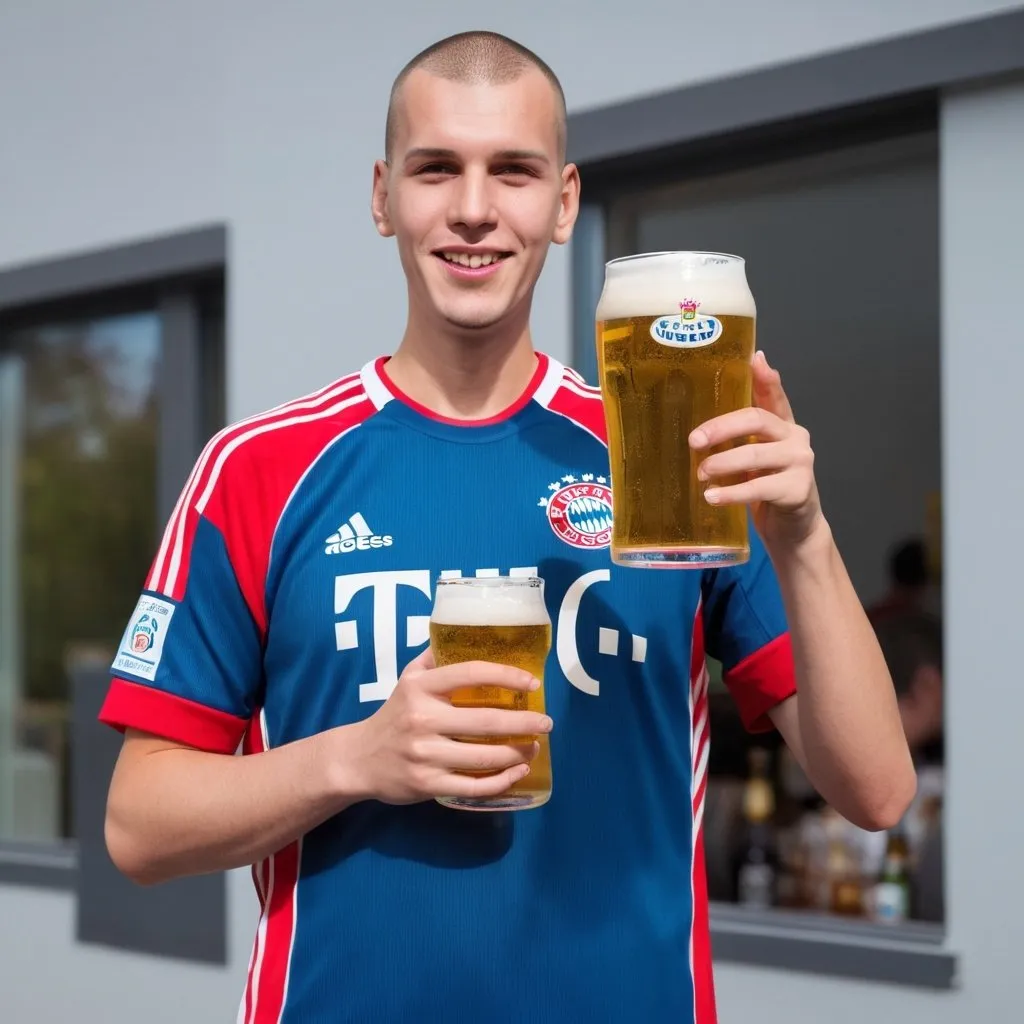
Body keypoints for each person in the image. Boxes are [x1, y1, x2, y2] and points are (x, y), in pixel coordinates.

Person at [99, 30, 916, 1024]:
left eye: (514, 171)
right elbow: (137, 826)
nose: (475, 208)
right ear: (382, 195)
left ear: (563, 202)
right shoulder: (258, 470)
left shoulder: (674, 471)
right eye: (436, 168)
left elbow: (875, 789)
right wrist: (353, 758)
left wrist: (802, 536)